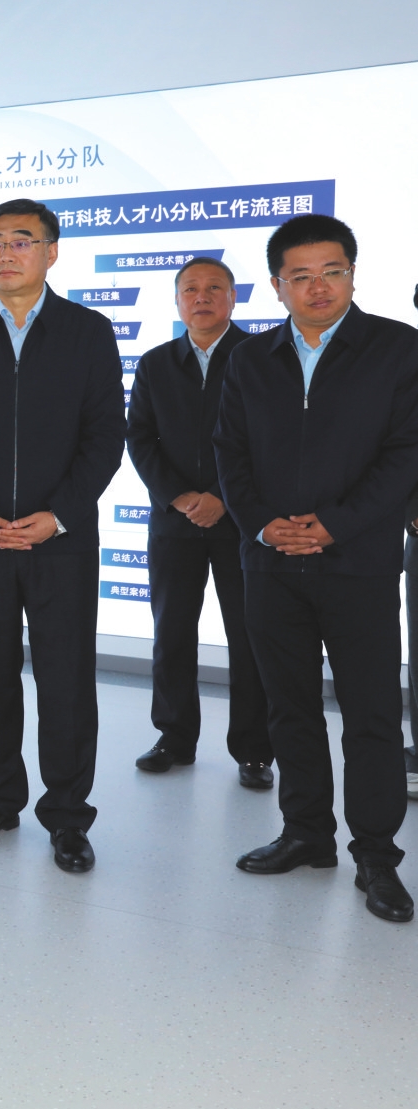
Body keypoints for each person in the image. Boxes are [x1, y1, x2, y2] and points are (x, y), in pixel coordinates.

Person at [215, 213, 418, 924]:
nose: (318, 286)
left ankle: (376, 856)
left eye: (332, 271)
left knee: (369, 715)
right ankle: (306, 833)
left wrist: (335, 523)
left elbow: (406, 453)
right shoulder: (250, 358)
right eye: (300, 276)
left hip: (357, 562)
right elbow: (229, 452)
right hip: (269, 564)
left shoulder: (397, 348)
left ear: (352, 274)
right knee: (289, 706)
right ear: (277, 286)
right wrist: (260, 523)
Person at [0, 198, 125, 874]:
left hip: (61, 539)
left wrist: (58, 514)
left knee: (66, 680)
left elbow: (105, 436)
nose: (4, 253)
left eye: (20, 240)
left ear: (51, 251)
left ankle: (67, 817)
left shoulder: (87, 331)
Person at [126, 258, 272, 788]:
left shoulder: (262, 357)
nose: (202, 297)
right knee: (172, 633)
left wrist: (224, 500)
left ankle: (254, 751)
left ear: (234, 297)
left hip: (243, 524)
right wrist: (181, 497)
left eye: (214, 288)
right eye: (190, 289)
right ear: (177, 300)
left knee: (250, 636)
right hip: (175, 521)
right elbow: (139, 438)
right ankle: (174, 737)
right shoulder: (156, 363)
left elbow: (273, 441)